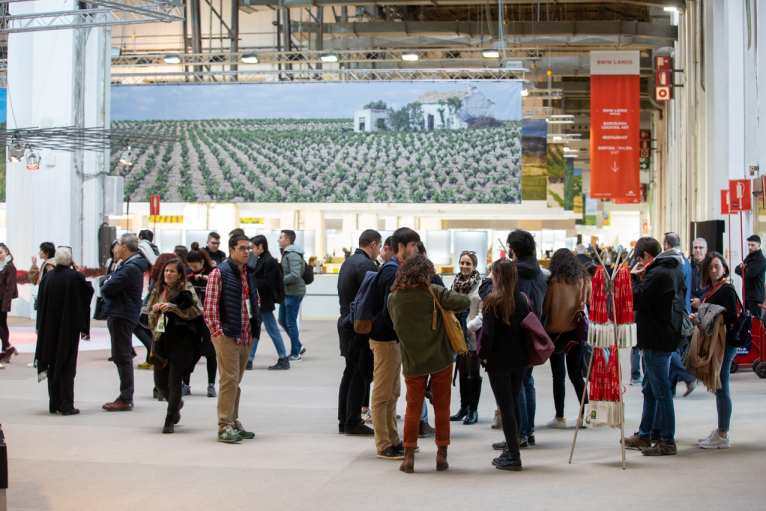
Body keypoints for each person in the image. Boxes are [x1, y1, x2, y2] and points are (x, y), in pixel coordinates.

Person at [388, 254, 469, 473]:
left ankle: (408, 457)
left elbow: (395, 325)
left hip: (412, 360)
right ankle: (441, 455)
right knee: (442, 407)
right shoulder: (434, 292)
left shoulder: (393, 297)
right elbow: (464, 302)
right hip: (440, 358)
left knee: (412, 408)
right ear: (426, 272)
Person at [485, 230, 545, 447]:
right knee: (527, 383)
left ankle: (517, 436)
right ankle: (527, 432)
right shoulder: (538, 271)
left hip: (511, 335)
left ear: (513, 248)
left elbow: (502, 301)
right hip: (532, 329)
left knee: (513, 391)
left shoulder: (513, 273)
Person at [625, 236, 684, 456]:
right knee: (650, 390)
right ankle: (645, 434)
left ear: (645, 257)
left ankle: (666, 441)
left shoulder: (657, 273)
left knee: (661, 392)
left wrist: (634, 279)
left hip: (656, 339)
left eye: (638, 259)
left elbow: (637, 299)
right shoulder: (673, 268)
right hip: (665, 336)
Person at [369, 227, 421, 460]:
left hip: (394, 339)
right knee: (382, 392)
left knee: (393, 391)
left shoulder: (398, 269)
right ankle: (383, 443)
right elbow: (390, 309)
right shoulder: (392, 271)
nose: (416, 250)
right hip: (384, 338)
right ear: (401, 246)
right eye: (412, 245)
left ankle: (393, 437)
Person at [478, 259, 532, 471]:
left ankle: (514, 455)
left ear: (497, 276)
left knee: (506, 406)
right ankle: (513, 447)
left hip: (498, 361)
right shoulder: (522, 299)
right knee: (514, 402)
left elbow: (488, 335)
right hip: (519, 360)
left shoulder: (493, 301)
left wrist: (483, 356)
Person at [203, 233, 258, 444]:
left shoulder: (247, 273)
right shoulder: (219, 273)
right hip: (227, 335)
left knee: (235, 381)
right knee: (229, 380)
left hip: (244, 334)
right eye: (243, 248)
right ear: (232, 249)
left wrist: (254, 329)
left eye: (249, 249)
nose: (247, 252)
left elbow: (253, 302)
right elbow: (209, 308)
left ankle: (233, 421)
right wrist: (218, 333)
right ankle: (224, 425)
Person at [33, 247, 93, 415]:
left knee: (52, 363)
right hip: (68, 328)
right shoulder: (75, 277)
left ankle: (54, 403)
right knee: (67, 365)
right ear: (70, 261)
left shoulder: (48, 278)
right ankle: (66, 405)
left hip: (48, 329)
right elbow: (88, 293)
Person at [147, 258, 203, 433]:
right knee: (160, 382)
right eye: (166, 271)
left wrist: (174, 308)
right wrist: (155, 310)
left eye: (172, 271)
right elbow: (149, 313)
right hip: (161, 339)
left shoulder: (187, 289)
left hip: (181, 341)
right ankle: (177, 403)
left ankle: (170, 419)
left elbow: (197, 311)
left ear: (179, 275)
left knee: (174, 381)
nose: (168, 274)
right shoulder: (158, 290)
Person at [693, 252, 739, 449]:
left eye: (717, 266)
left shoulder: (726, 289)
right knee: (720, 386)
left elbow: (729, 317)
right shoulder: (714, 288)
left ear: (724, 267)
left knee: (722, 386)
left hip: (725, 344)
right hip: (718, 343)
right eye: (710, 267)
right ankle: (721, 431)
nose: (713, 270)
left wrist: (703, 308)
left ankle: (722, 434)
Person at [337, 229, 380, 435]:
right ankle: (353, 420)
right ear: (372, 244)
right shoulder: (366, 266)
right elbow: (369, 298)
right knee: (360, 374)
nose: (379, 251)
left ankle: (344, 419)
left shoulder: (348, 262)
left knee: (350, 372)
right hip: (358, 326)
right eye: (379, 247)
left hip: (346, 323)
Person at [101, 234, 150, 411]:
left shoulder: (130, 268)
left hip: (122, 313)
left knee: (122, 356)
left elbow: (107, 287)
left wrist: (106, 281)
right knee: (122, 354)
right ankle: (125, 395)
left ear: (125, 247)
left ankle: (126, 397)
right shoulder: (129, 265)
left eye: (118, 244)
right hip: (122, 312)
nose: (115, 248)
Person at [542, 248, 588, 428]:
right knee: (577, 375)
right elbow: (583, 305)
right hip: (575, 333)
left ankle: (560, 416)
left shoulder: (552, 282)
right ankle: (586, 414)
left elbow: (546, 308)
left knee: (558, 376)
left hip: (554, 334)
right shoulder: (581, 281)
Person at [450, 250, 483, 426]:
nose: (464, 266)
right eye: (462, 262)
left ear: (474, 265)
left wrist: (469, 327)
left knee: (473, 372)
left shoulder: (480, 284)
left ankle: (473, 410)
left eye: (468, 263)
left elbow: (482, 312)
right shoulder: (455, 283)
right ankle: (463, 407)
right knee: (462, 371)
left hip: (472, 332)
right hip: (457, 333)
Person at [248, 235, 290, 371]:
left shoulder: (268, 261)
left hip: (264, 301)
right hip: (259, 301)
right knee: (255, 329)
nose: (251, 250)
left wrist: (252, 283)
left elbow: (268, 283)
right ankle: (249, 359)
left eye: (253, 247)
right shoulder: (260, 260)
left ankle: (283, 358)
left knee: (271, 329)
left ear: (261, 247)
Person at [663, 232, 697, 398]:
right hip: (684, 309)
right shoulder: (684, 260)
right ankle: (671, 387)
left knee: (671, 348)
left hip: (676, 311)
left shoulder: (674, 262)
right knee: (676, 348)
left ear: (667, 245)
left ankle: (688, 377)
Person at [186, 244, 217, 397]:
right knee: (189, 351)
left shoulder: (213, 274)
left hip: (209, 320)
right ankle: (185, 383)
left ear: (203, 263)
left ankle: (211, 384)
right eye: (190, 266)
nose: (193, 268)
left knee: (211, 352)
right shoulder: (188, 275)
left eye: (195, 265)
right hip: (191, 319)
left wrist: (206, 279)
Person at [278, 229, 307, 361]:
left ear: (288, 240)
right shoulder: (287, 253)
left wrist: (279, 281)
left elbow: (295, 274)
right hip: (287, 291)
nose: (279, 240)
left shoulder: (293, 254)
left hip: (294, 292)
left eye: (281, 238)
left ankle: (295, 353)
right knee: (282, 320)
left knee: (290, 322)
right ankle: (298, 345)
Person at [735, 234, 766, 317]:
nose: (750, 247)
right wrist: (744, 269)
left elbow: (749, 275)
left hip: (756, 298)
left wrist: (743, 268)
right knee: (747, 322)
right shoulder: (749, 257)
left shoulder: (761, 260)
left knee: (755, 323)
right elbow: (736, 269)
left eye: (752, 245)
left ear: (759, 245)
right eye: (749, 245)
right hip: (747, 295)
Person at [0, 243, 18, 365]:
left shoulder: (9, 267)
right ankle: (6, 350)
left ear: (7, 252)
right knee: (2, 324)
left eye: (1, 252)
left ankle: (8, 347)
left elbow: (10, 288)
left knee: (1, 324)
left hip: (2, 301)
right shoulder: (1, 266)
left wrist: (5, 305)